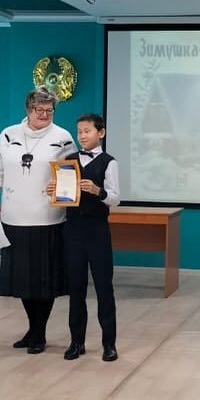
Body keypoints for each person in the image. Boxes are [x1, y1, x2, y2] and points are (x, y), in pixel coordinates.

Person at [0, 87, 75, 354]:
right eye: (39, 109)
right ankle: (33, 328)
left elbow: (71, 175)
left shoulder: (63, 137)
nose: (44, 114)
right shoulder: (8, 135)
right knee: (22, 280)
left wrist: (60, 188)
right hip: (13, 218)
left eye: (49, 110)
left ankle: (39, 333)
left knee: (44, 281)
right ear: (28, 109)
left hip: (48, 219)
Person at [47, 113, 121, 362]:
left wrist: (98, 191)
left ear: (101, 133)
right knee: (76, 289)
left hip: (97, 231)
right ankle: (76, 342)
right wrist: (52, 191)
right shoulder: (69, 161)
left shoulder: (109, 162)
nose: (82, 136)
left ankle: (109, 344)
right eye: (79, 132)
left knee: (103, 288)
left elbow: (115, 198)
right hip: (73, 231)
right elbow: (63, 197)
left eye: (87, 131)